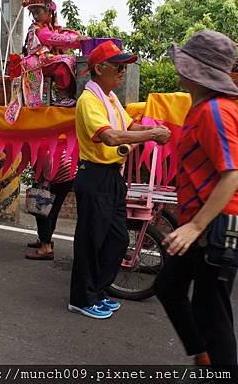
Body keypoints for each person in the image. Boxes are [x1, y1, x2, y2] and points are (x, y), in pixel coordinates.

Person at [69, 41, 171, 319]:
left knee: (115, 239)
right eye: (118, 67)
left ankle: (99, 291)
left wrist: (155, 128)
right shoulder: (89, 100)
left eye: (124, 68)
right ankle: (82, 298)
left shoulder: (111, 98)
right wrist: (151, 135)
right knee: (91, 240)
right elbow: (111, 136)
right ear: (99, 68)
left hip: (113, 177)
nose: (123, 73)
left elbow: (129, 127)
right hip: (95, 176)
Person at [156, 30, 238, 372]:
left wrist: (195, 226)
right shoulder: (203, 108)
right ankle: (204, 359)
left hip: (214, 226)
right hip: (199, 225)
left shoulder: (215, 112)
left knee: (212, 314)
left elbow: (232, 173)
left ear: (195, 72)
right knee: (168, 288)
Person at [6, 0, 89, 123]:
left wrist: (79, 38)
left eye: (38, 11)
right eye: (33, 13)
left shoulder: (51, 27)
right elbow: (50, 38)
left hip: (44, 60)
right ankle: (62, 96)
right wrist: (75, 40)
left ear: (48, 10)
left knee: (72, 60)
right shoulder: (38, 28)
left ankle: (69, 94)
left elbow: (62, 34)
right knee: (64, 61)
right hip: (35, 62)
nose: (35, 16)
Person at [26, 140, 76, 260]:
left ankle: (46, 248)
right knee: (52, 212)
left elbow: (45, 164)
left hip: (56, 176)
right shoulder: (46, 136)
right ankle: (45, 240)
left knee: (42, 212)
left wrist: (43, 183)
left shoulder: (36, 143)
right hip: (68, 175)